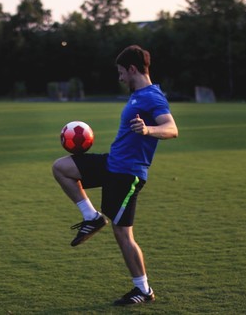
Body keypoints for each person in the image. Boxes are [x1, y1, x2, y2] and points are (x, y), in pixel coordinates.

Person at [52, 45, 179, 306]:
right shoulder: (137, 94)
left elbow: (172, 128)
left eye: (121, 72)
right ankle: (91, 217)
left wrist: (148, 130)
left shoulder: (153, 97)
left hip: (127, 174)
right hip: (112, 163)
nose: (120, 77)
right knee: (61, 168)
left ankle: (143, 290)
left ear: (132, 69)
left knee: (123, 234)